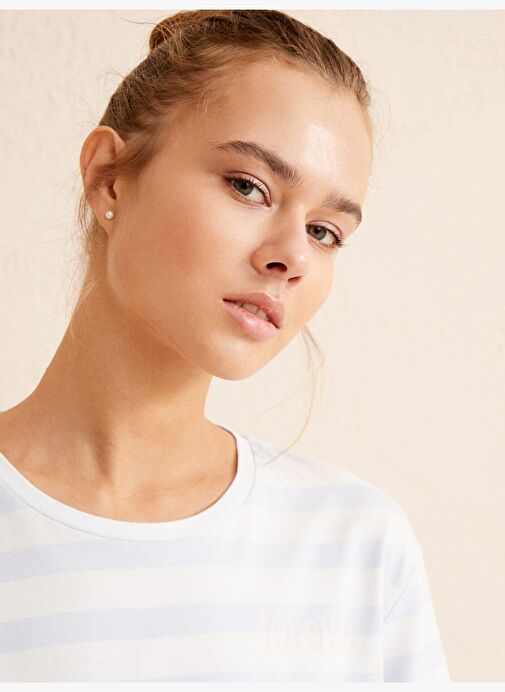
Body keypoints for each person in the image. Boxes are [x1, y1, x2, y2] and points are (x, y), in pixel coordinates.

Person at [0, 9, 450, 683]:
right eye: (249, 187)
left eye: (325, 231)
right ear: (109, 177)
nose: (292, 256)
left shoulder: (357, 546)